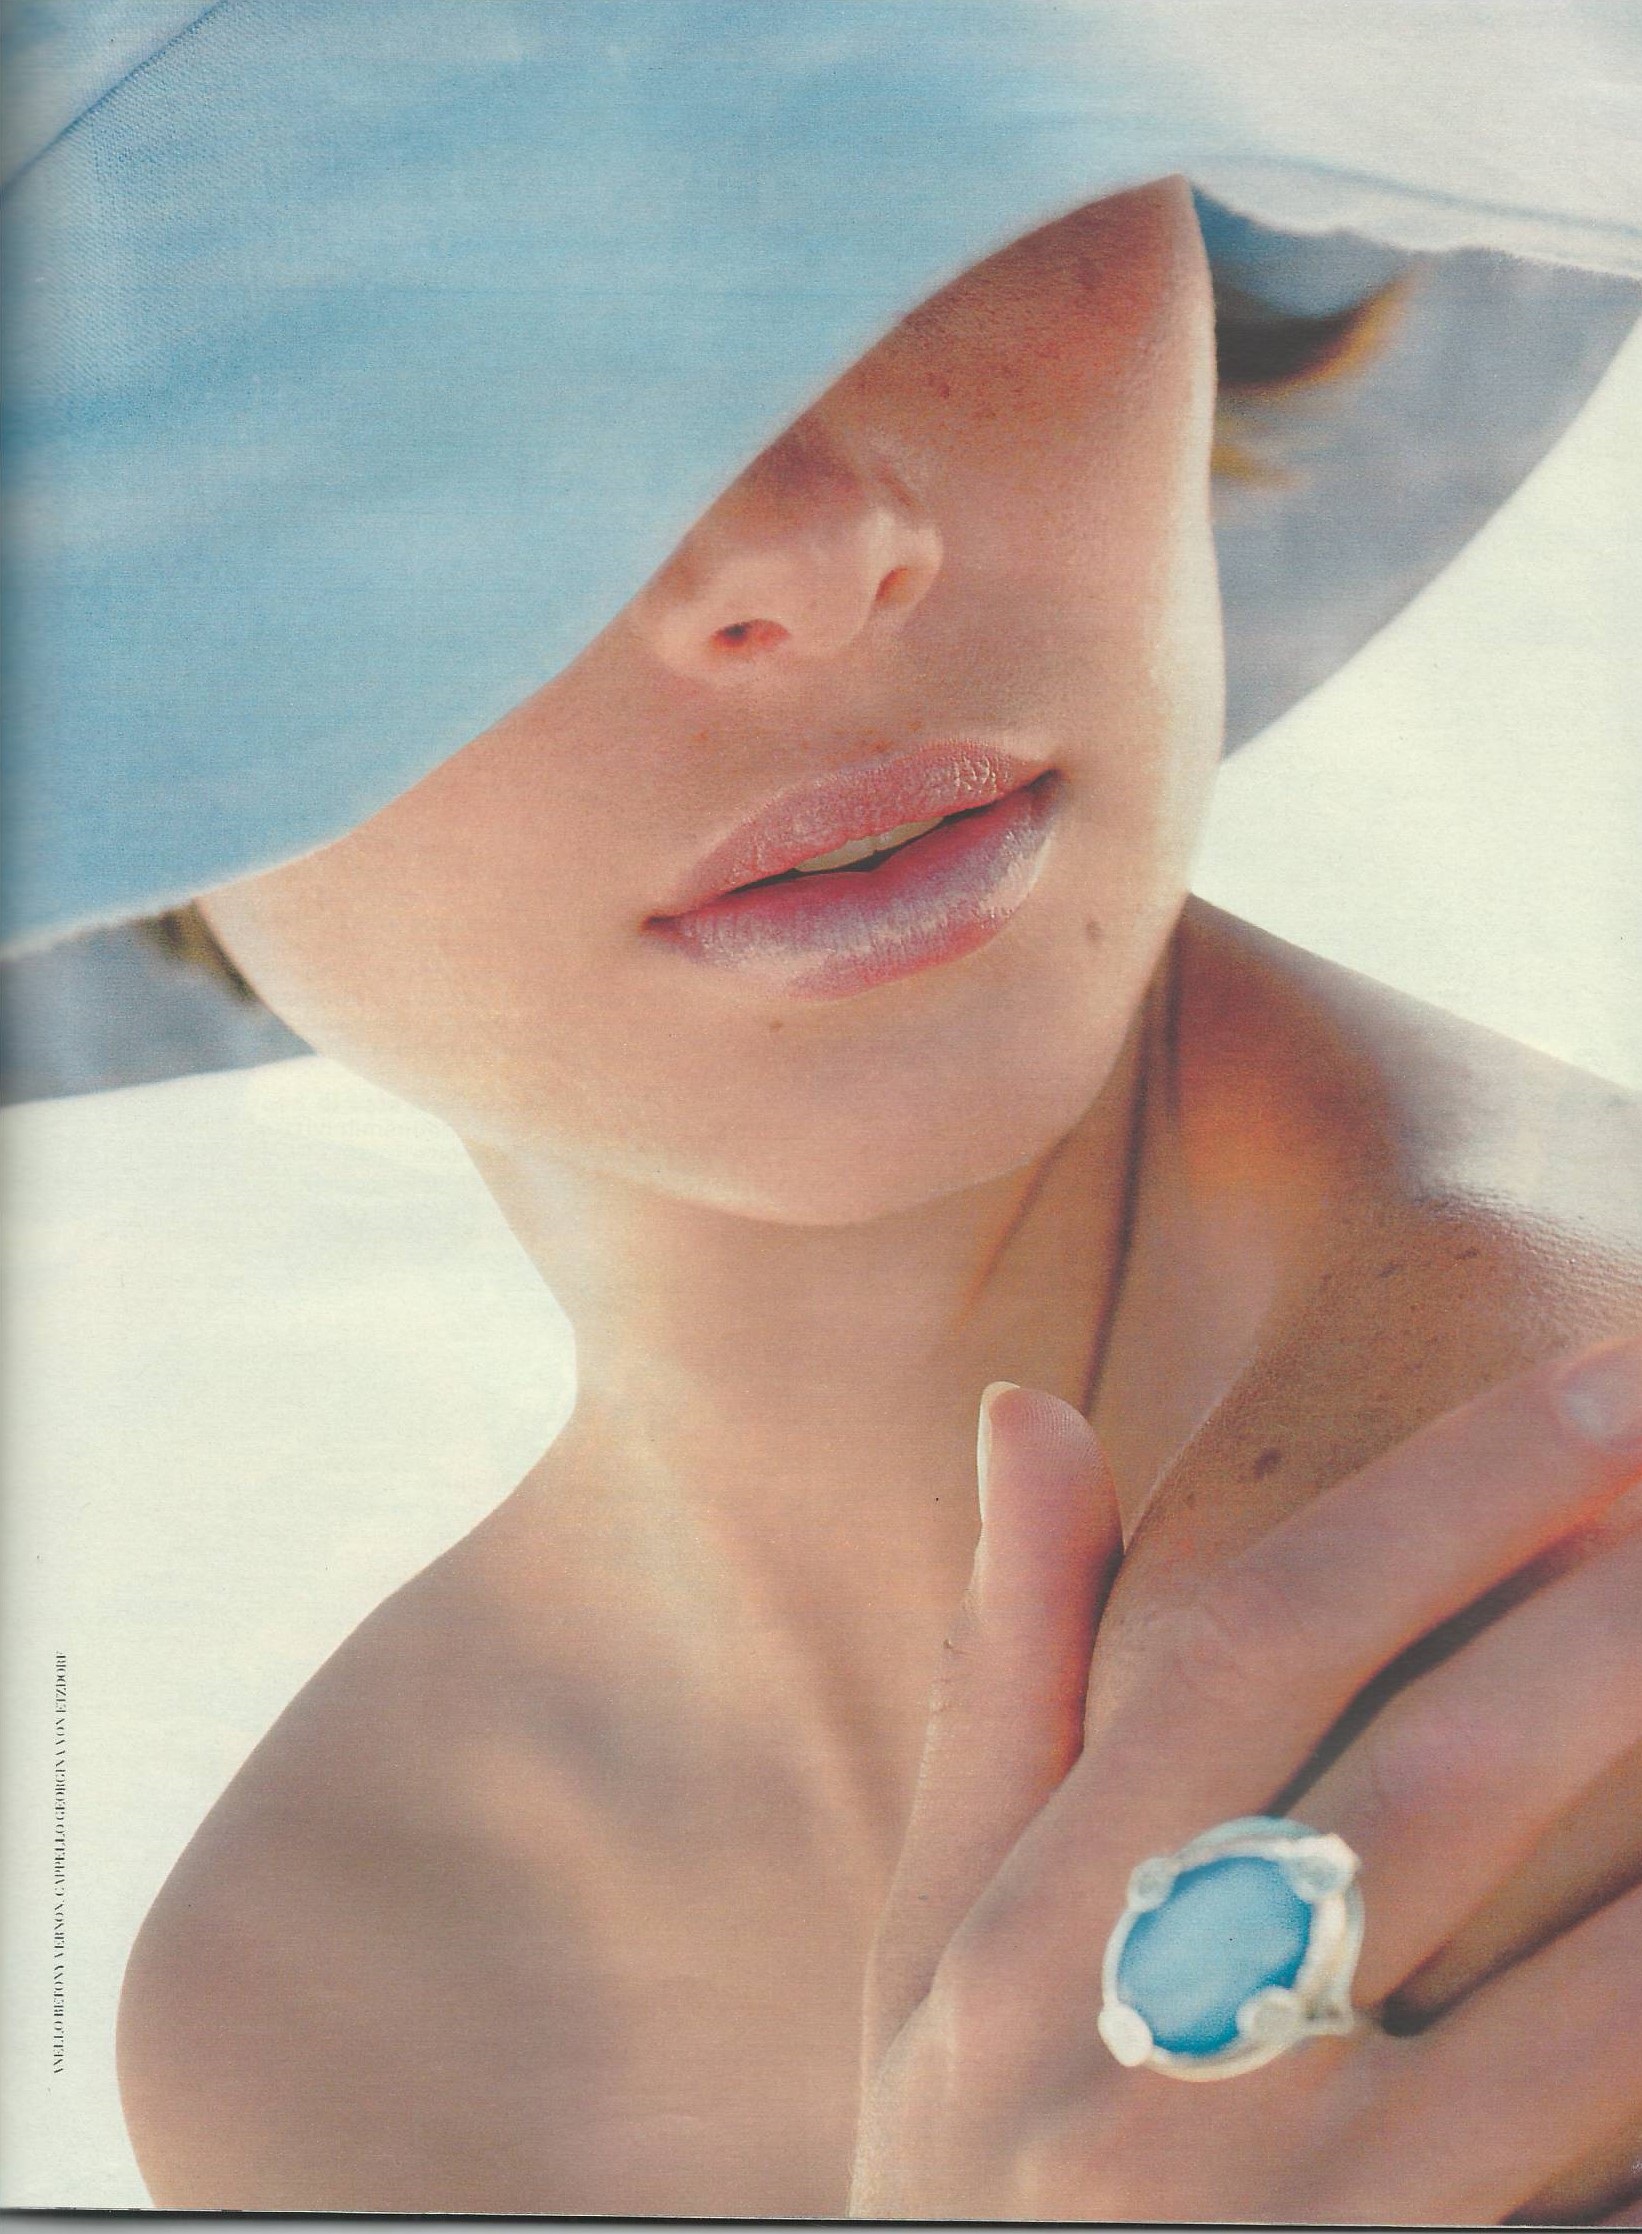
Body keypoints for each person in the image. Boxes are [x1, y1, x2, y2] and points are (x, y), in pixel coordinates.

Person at [5, 4, 1640, 2221]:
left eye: (889, 180)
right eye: (382, 354)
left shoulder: (1532, 1650)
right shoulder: (327, 1979)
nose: (810, 539)